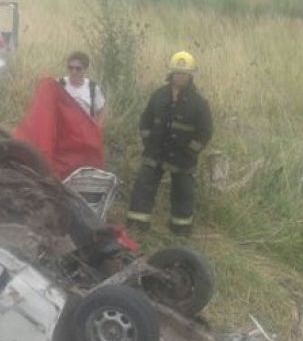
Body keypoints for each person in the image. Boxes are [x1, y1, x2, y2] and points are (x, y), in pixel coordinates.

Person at [126, 51, 213, 235]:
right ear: (171, 73)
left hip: (183, 156)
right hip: (155, 152)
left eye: (184, 73)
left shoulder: (198, 103)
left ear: (191, 76)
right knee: (144, 186)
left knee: (183, 193)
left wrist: (191, 151)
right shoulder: (159, 95)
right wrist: (147, 140)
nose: (180, 76)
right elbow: (145, 119)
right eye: (177, 72)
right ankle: (137, 225)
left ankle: (180, 230)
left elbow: (205, 131)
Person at [57, 51, 107, 127]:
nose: (74, 71)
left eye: (78, 69)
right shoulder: (59, 84)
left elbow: (102, 110)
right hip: (63, 135)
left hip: (85, 135)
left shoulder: (92, 87)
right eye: (71, 68)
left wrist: (97, 129)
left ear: (85, 69)